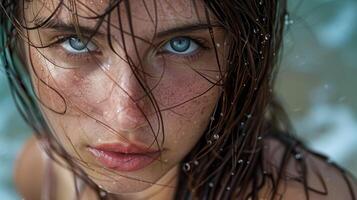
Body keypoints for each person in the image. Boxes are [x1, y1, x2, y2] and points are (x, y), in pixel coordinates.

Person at [0, 0, 356, 199]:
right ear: (19, 42)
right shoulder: (42, 170)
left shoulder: (309, 196)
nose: (126, 117)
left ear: (240, 59)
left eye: (181, 44)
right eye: (76, 42)